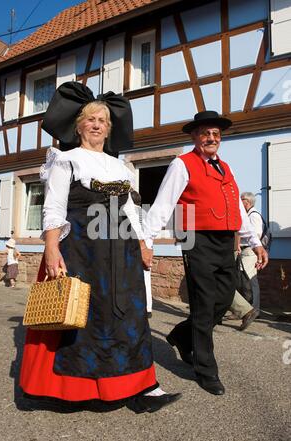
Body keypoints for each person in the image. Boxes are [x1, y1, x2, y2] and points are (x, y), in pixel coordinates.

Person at [20, 82, 181, 414]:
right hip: (81, 249)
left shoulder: (119, 167)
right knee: (84, 318)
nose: (96, 125)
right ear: (79, 126)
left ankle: (143, 387)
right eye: (91, 119)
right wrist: (51, 249)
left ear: (110, 130)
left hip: (122, 252)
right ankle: (77, 389)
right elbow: (53, 208)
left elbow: (130, 210)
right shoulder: (65, 160)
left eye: (103, 121)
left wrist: (144, 242)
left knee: (130, 316)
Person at [143, 110, 268, 396]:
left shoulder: (227, 167)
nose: (211, 138)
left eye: (215, 134)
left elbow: (237, 207)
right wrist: (146, 240)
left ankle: (181, 335)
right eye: (205, 134)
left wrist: (255, 241)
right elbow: (163, 204)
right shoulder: (181, 164)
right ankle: (205, 369)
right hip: (196, 240)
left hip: (226, 241)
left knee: (223, 299)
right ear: (194, 137)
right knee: (203, 302)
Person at [228, 192, 263, 330]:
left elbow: (256, 233)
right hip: (245, 250)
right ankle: (245, 309)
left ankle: (253, 309)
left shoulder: (253, 215)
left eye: (241, 200)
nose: (239, 202)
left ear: (247, 202)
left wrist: (240, 239)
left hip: (249, 250)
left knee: (250, 280)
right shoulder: (248, 215)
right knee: (242, 280)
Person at [131, 190, 153, 318]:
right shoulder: (145, 213)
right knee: (146, 278)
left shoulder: (129, 212)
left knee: (133, 277)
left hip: (136, 245)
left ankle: (136, 306)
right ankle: (148, 307)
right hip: (147, 245)